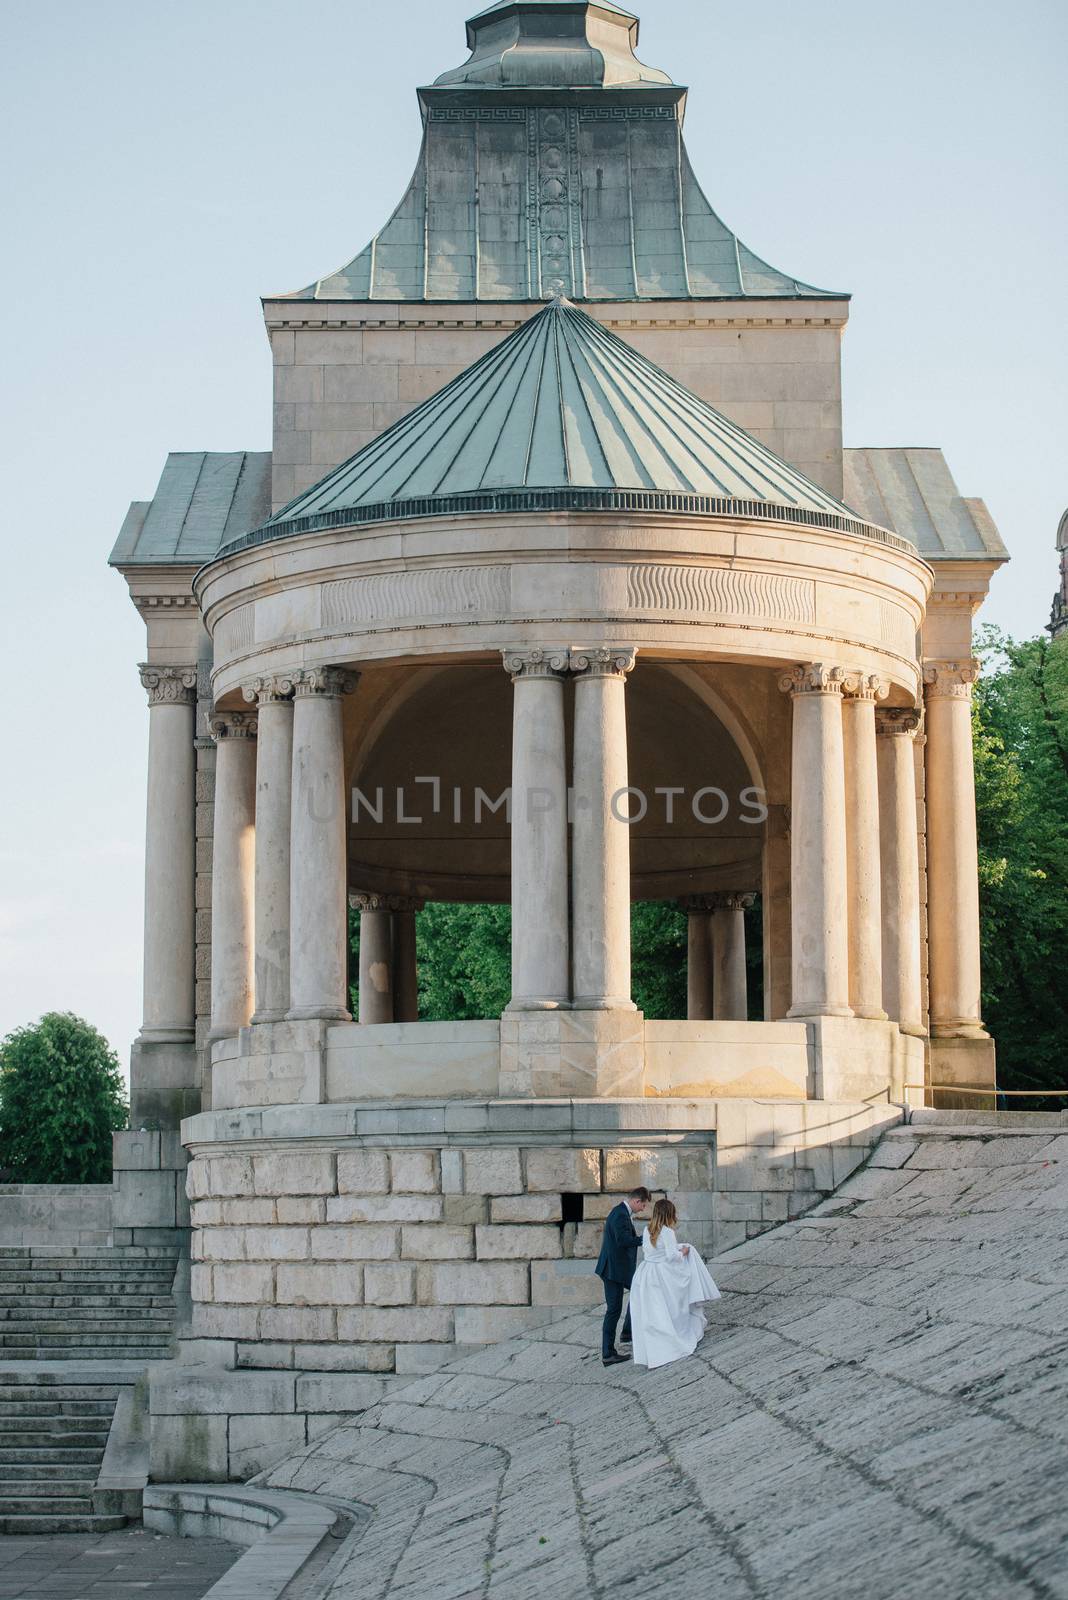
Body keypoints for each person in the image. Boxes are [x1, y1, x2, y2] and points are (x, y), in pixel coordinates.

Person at [629, 1198, 720, 1370]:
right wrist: (684, 1252)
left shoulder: (648, 1230)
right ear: (670, 1214)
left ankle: (654, 1351)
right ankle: (674, 1342)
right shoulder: (667, 1232)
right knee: (672, 1309)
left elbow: (652, 1251)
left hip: (647, 1274)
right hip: (662, 1275)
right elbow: (671, 1256)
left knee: (655, 1314)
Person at [595, 1186, 651, 1366]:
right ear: (636, 1201)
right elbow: (623, 1240)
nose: (643, 1209)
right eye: (643, 1205)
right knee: (613, 1310)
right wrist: (646, 1239)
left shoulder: (620, 1212)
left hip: (617, 1269)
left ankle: (627, 1332)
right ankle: (608, 1353)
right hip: (613, 1271)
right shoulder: (620, 1214)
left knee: (638, 1291)